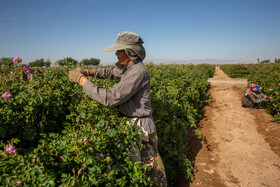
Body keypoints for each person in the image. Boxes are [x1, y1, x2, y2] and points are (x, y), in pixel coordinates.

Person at [68, 31, 167, 186]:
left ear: (130, 52)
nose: (116, 54)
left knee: (150, 173)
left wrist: (82, 81)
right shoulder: (128, 67)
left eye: (119, 50)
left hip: (140, 127)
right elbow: (110, 72)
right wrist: (88, 72)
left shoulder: (137, 72)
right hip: (133, 125)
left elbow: (111, 98)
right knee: (137, 172)